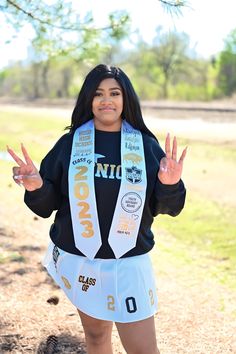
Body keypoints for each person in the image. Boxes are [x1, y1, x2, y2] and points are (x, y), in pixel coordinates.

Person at [8, 64, 187, 354]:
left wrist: (169, 184)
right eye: (98, 93)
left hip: (128, 262)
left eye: (114, 93)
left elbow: (169, 206)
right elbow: (48, 204)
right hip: (82, 260)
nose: (107, 100)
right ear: (88, 100)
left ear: (125, 99)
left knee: (143, 350)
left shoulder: (145, 147)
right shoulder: (70, 145)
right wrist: (36, 187)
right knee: (95, 337)